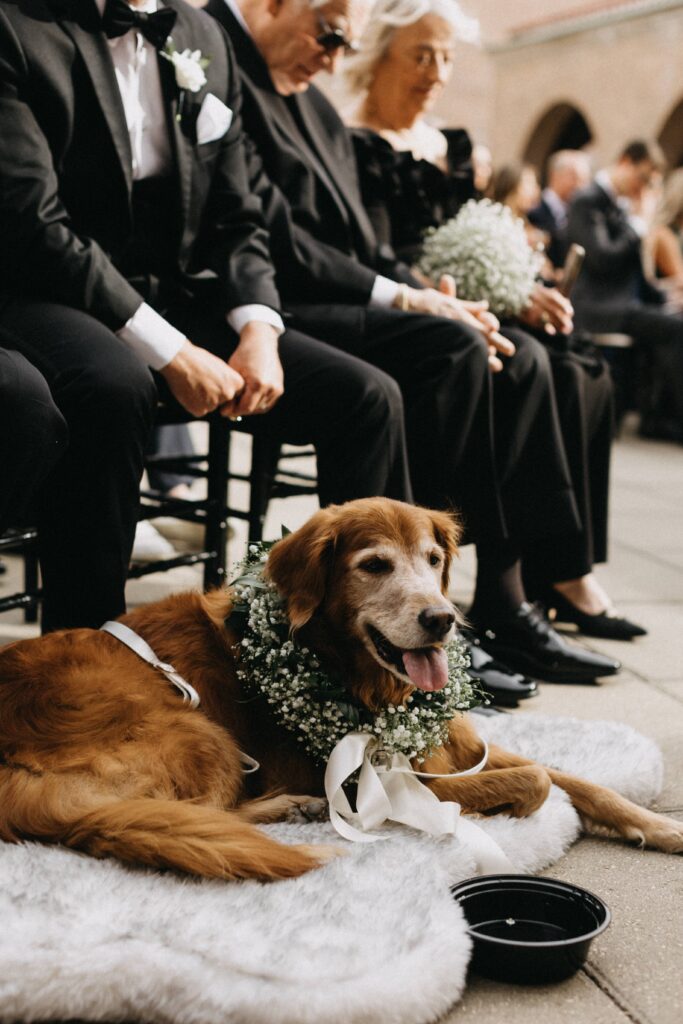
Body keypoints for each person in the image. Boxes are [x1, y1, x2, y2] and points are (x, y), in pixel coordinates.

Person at [206, 0, 622, 697]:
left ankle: (501, 592)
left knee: (512, 356)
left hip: (347, 294)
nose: (334, 60)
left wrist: (437, 296)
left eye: (346, 42)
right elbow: (277, 238)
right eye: (329, 33)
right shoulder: (229, 72)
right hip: (287, 300)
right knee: (449, 349)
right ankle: (420, 602)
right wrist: (411, 299)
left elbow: (367, 248)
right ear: (270, 5)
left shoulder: (309, 103)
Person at [0, 0, 414, 630]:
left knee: (365, 396)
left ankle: (354, 647)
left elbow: (236, 214)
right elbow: (32, 223)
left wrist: (258, 327)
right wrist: (169, 351)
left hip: (177, 294)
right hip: (47, 288)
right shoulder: (19, 24)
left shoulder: (201, 37)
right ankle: (85, 651)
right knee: (114, 385)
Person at [344, 0, 644, 641]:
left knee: (580, 362)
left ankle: (560, 572)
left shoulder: (449, 145)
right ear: (381, 57)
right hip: (406, 307)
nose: (436, 71)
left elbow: (476, 237)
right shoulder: (353, 142)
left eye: (447, 56)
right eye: (421, 54)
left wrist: (520, 289)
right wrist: (447, 298)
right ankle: (506, 596)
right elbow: (378, 256)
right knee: (525, 361)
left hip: (466, 300)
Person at [567, 139, 683, 443]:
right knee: (676, 329)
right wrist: (637, 226)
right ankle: (671, 419)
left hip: (624, 304)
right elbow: (602, 258)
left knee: (672, 316)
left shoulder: (620, 205)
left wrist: (665, 297)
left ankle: (657, 416)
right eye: (642, 178)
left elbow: (635, 276)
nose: (642, 188)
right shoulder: (587, 199)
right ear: (625, 162)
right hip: (598, 306)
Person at [529, 149, 592, 273]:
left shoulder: (578, 214)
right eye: (575, 178)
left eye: (584, 181)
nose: (580, 186)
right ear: (555, 175)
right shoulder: (534, 211)